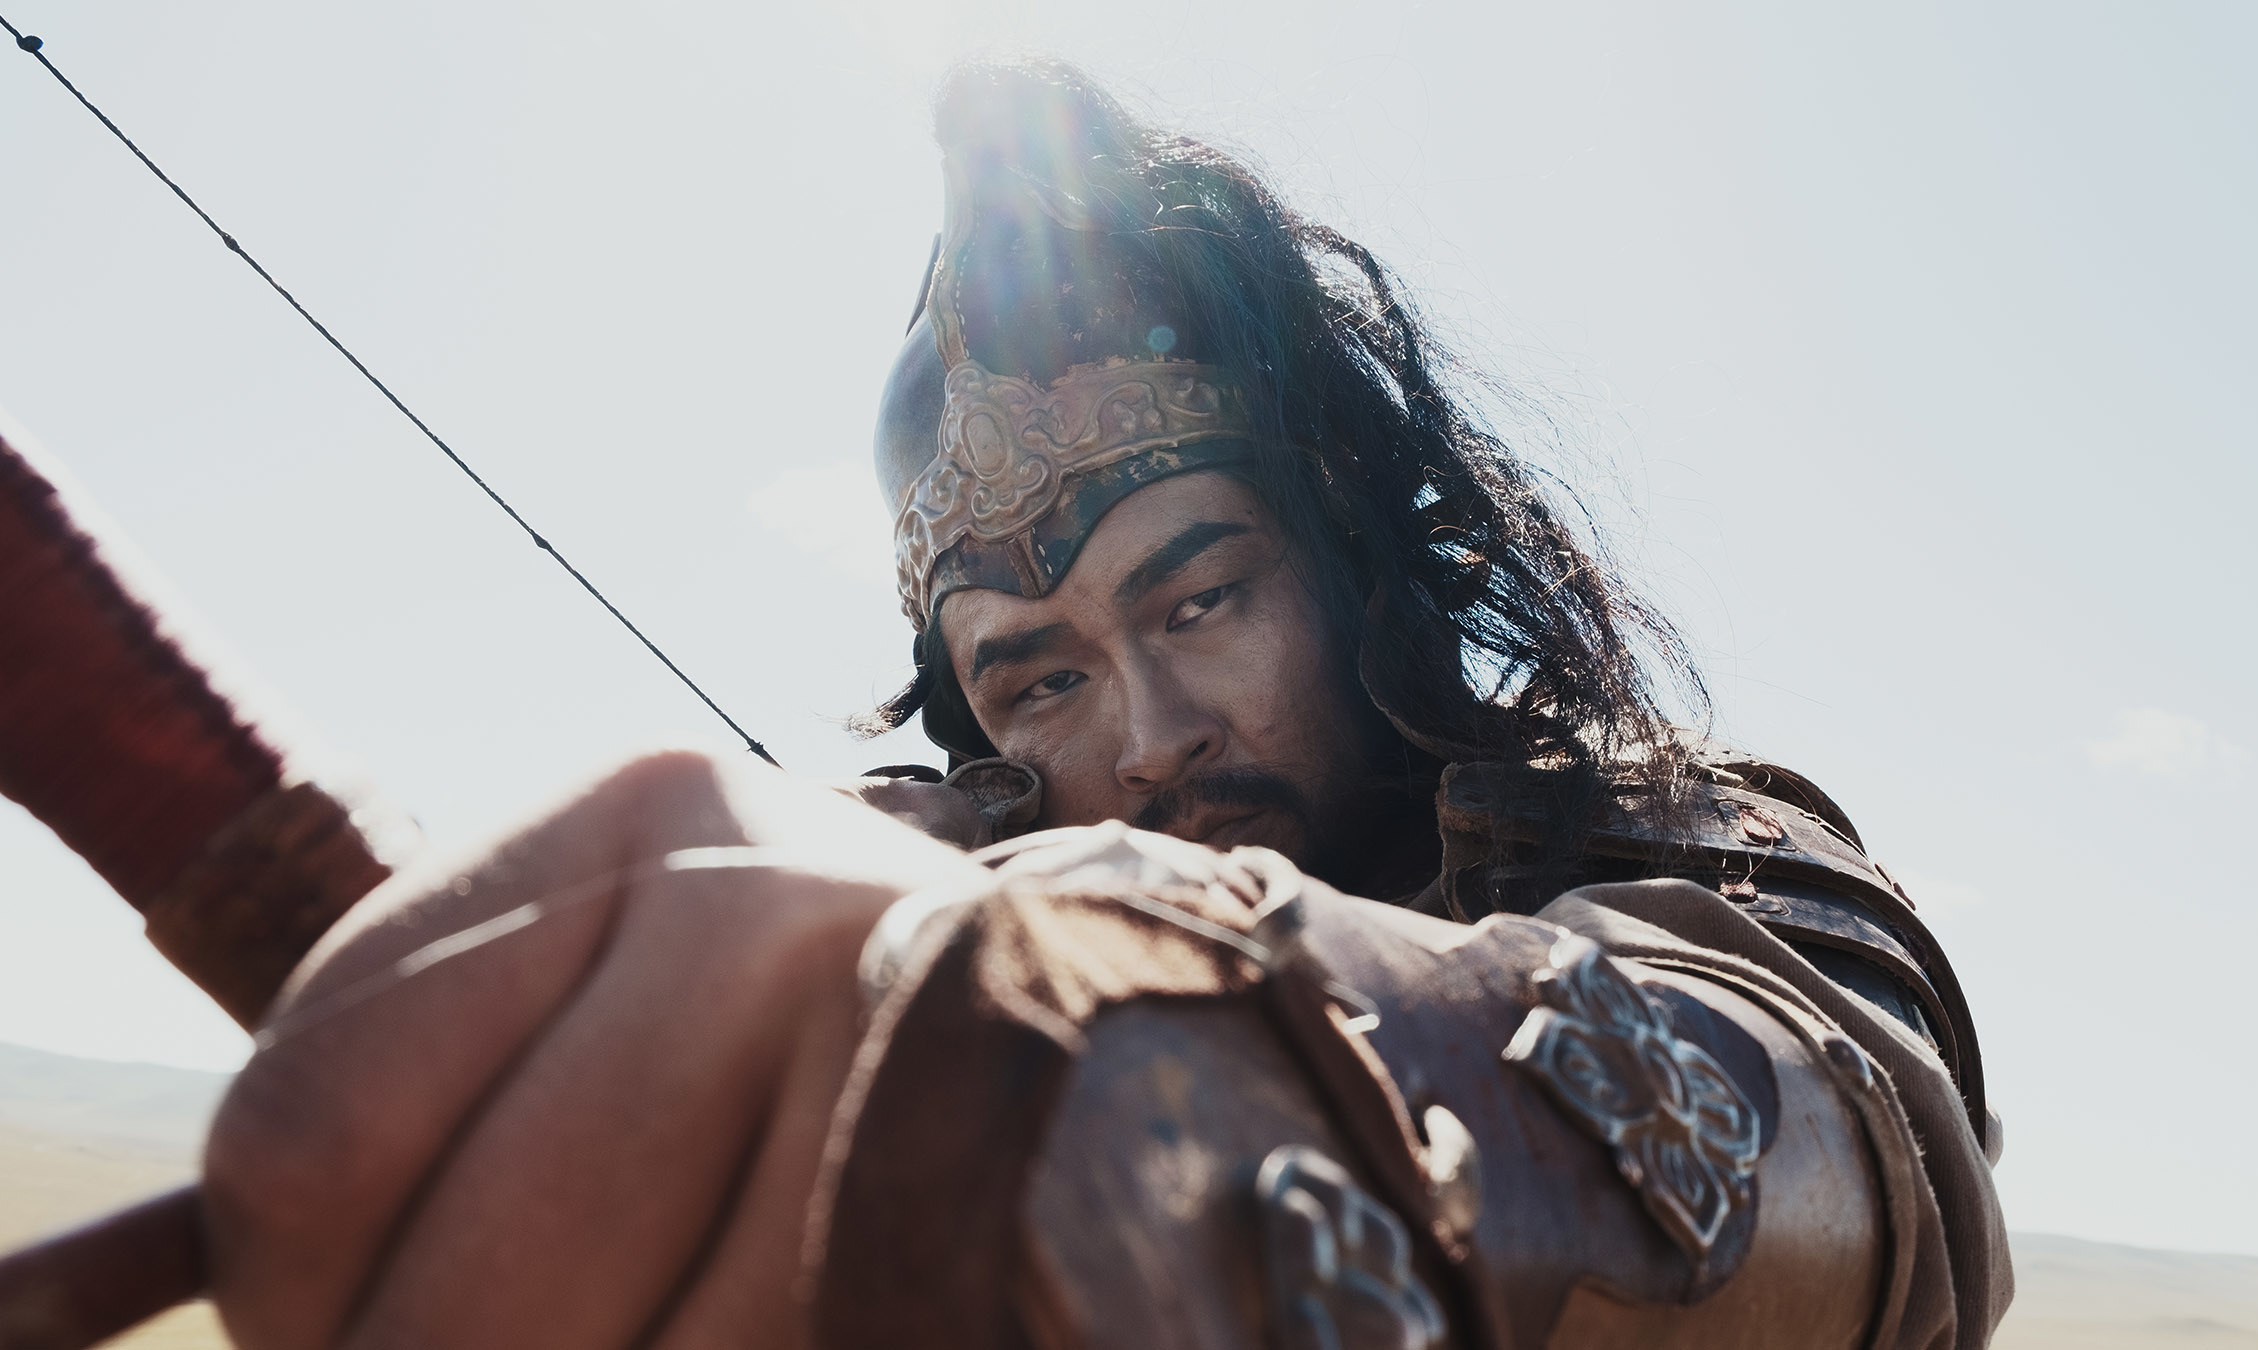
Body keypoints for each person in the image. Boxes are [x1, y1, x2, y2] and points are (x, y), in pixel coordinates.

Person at [200, 60, 2008, 1349]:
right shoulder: (951, 892)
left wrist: (1161, 1028)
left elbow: (1855, 1161)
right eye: (1042, 677)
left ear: (1352, 561)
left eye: (1200, 598)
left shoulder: (1694, 841)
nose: (1146, 739)